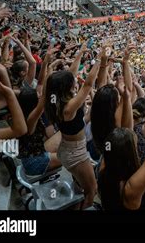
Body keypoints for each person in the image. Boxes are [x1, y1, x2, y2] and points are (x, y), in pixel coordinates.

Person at [97, 73, 145, 210]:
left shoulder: (104, 167)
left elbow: (125, 129)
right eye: (134, 142)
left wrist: (126, 97)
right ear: (130, 151)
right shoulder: (132, 185)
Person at [44, 47, 102, 209]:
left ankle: (76, 203)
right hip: (75, 153)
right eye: (73, 81)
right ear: (67, 86)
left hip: (68, 149)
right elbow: (89, 84)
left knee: (79, 181)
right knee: (92, 190)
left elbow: (71, 73)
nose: (75, 80)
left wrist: (81, 52)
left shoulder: (54, 100)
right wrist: (99, 59)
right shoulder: (69, 107)